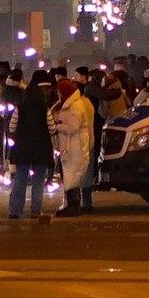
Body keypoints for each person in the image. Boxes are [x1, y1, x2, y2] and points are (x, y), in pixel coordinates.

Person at [8, 71, 55, 219]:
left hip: (22, 146)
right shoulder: (44, 108)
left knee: (20, 177)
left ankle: (15, 211)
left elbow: (11, 127)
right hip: (41, 147)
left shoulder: (20, 106)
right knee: (39, 179)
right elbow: (52, 128)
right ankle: (35, 210)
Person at [49, 77, 93, 217]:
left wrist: (58, 126)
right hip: (71, 147)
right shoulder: (70, 104)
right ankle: (72, 204)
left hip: (75, 147)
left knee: (72, 175)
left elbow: (73, 127)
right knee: (69, 175)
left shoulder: (75, 106)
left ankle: (73, 206)